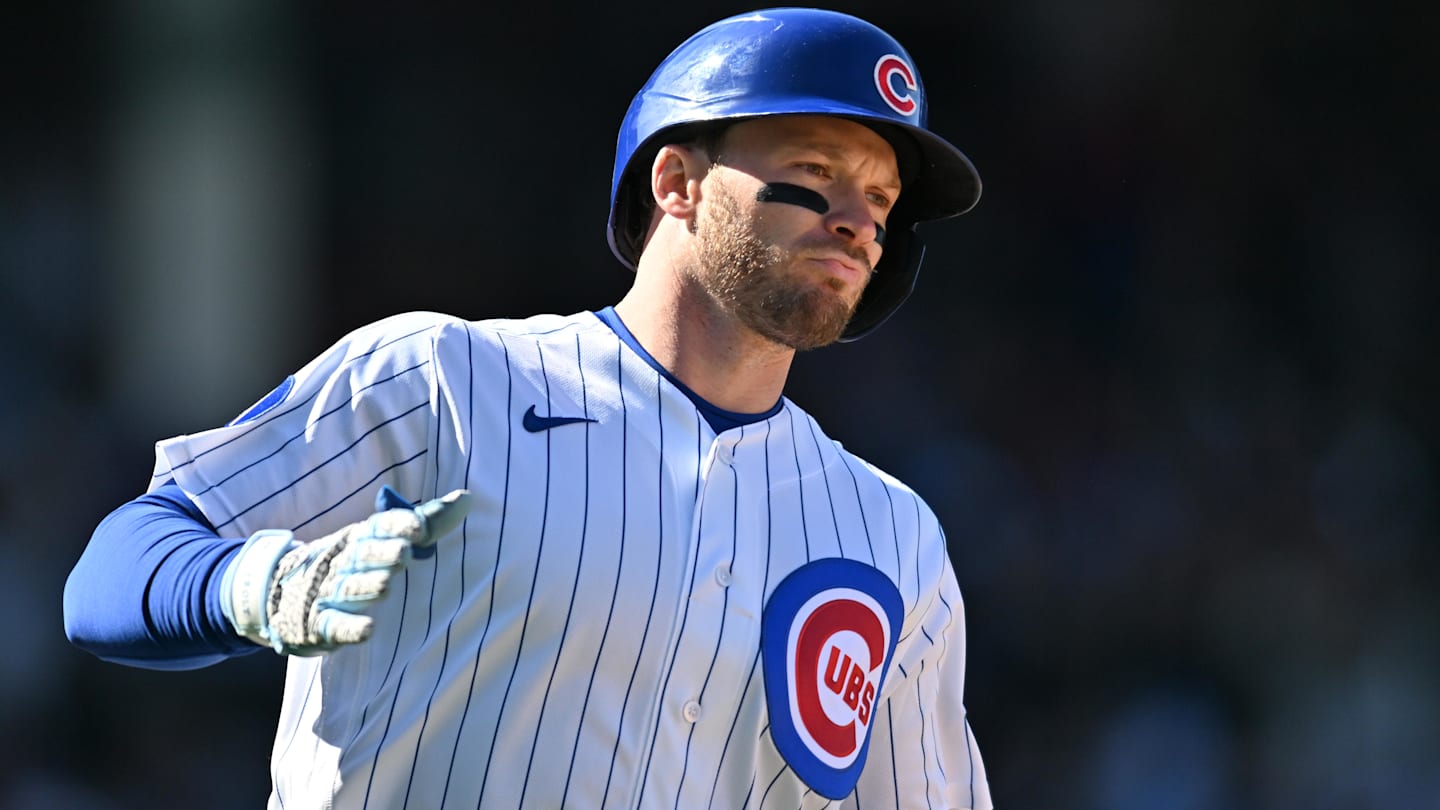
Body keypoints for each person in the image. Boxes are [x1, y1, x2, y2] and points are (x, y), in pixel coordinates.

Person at [64, 8, 993, 808]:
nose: (859, 219)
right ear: (677, 183)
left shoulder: (891, 537)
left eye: (880, 196)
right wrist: (261, 589)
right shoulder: (448, 380)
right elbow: (113, 572)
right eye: (816, 168)